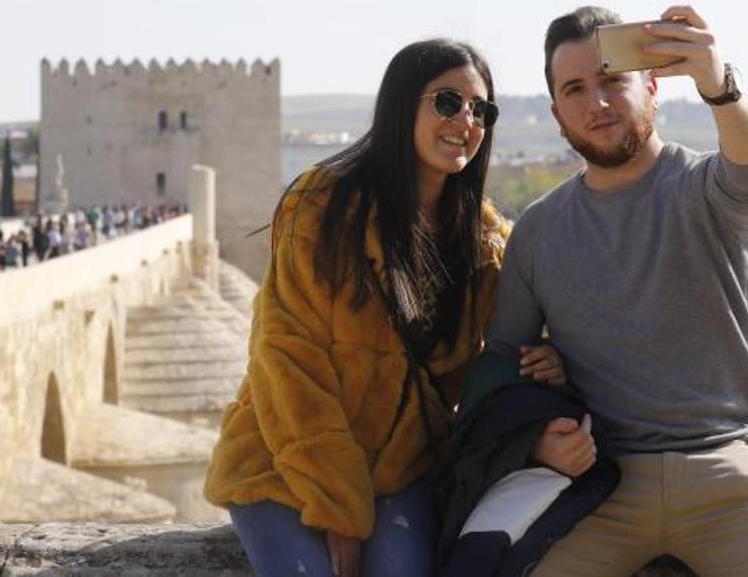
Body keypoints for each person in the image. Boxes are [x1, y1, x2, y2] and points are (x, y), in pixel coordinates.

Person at [485, 5, 748, 575]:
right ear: (556, 114)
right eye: (575, 89)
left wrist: (718, 85)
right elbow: (501, 369)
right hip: (600, 488)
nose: (596, 104)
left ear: (652, 87)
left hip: (733, 475)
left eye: (612, 82)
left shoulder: (706, 190)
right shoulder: (539, 229)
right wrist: (537, 439)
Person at [205, 39, 563, 577]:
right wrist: (338, 505)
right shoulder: (323, 206)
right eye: (447, 102)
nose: (465, 120)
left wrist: (551, 359)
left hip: (402, 470)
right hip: (283, 459)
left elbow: (518, 339)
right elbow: (287, 356)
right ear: (401, 105)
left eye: (480, 110)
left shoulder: (484, 244)